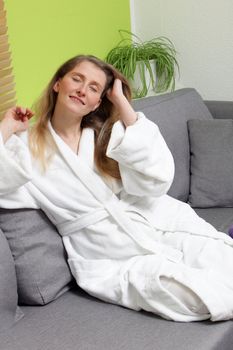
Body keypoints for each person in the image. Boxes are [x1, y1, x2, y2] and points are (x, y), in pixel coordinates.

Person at [1, 54, 233, 322]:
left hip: (154, 224)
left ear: (98, 102)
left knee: (223, 259)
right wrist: (7, 127)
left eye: (93, 88)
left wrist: (121, 100)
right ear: (58, 84)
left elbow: (158, 176)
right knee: (195, 296)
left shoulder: (105, 134)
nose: (81, 90)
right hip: (108, 255)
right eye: (76, 79)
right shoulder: (26, 146)